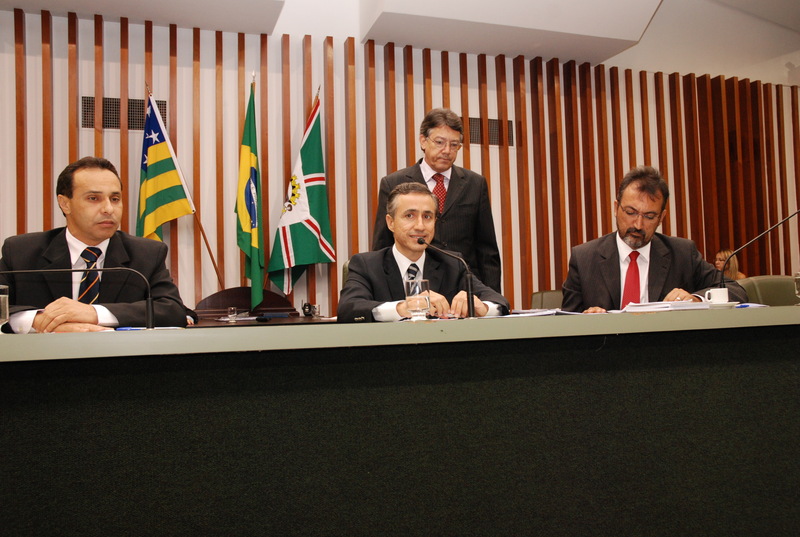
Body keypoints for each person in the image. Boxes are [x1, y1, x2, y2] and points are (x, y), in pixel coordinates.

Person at [0, 156, 192, 333]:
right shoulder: (20, 252)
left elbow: (172, 311)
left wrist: (94, 313)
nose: (109, 209)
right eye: (94, 198)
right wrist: (38, 321)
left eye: (115, 199)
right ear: (65, 203)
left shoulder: (146, 253)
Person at [561, 166, 747, 313]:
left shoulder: (682, 254)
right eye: (631, 212)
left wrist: (696, 299)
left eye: (649, 216)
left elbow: (736, 291)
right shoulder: (584, 258)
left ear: (661, 217)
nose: (638, 225)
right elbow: (566, 321)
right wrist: (587, 320)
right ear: (616, 208)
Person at [371, 108, 502, 292]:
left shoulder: (475, 183)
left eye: (454, 145)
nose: (447, 151)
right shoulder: (393, 183)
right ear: (423, 141)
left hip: (463, 288)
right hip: (413, 286)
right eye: (440, 142)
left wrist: (491, 299)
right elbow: (382, 245)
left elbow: (487, 250)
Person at [339, 182, 509, 323]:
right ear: (391, 223)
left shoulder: (453, 264)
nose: (420, 226)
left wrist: (482, 307)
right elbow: (348, 309)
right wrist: (404, 307)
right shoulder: (366, 265)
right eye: (410, 216)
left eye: (427, 217)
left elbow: (500, 302)